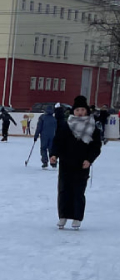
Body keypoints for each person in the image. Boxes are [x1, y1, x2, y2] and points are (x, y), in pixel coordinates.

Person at [50, 95, 102, 230]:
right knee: (63, 190)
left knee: (78, 192)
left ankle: (77, 217)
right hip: (66, 163)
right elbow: (58, 141)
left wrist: (89, 159)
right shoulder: (66, 125)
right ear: (73, 111)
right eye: (77, 110)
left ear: (87, 111)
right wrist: (54, 154)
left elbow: (96, 146)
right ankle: (63, 216)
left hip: (82, 165)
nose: (80, 112)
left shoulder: (92, 127)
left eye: (82, 110)